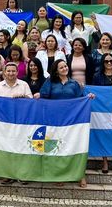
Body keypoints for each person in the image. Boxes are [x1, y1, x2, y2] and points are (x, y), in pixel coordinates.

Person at [36, 59, 94, 188]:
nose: (64, 68)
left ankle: (80, 175)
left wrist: (88, 96)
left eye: (65, 66)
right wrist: (38, 95)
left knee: (76, 146)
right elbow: (43, 96)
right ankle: (59, 175)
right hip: (54, 121)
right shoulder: (50, 82)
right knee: (57, 147)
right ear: (56, 71)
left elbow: (81, 99)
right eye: (61, 67)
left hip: (72, 121)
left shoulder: (74, 83)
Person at [0, 62, 34, 185]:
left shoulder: (24, 85)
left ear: (17, 72)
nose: (11, 73)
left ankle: (22, 174)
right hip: (4, 123)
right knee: (6, 147)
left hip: (21, 122)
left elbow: (32, 103)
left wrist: (24, 98)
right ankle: (7, 174)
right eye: (8, 71)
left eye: (13, 71)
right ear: (4, 73)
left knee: (22, 146)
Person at [91, 53, 112, 175]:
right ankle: (105, 161)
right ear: (102, 63)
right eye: (106, 61)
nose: (109, 63)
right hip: (103, 110)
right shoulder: (97, 76)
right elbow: (94, 91)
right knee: (104, 133)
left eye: (111, 61)